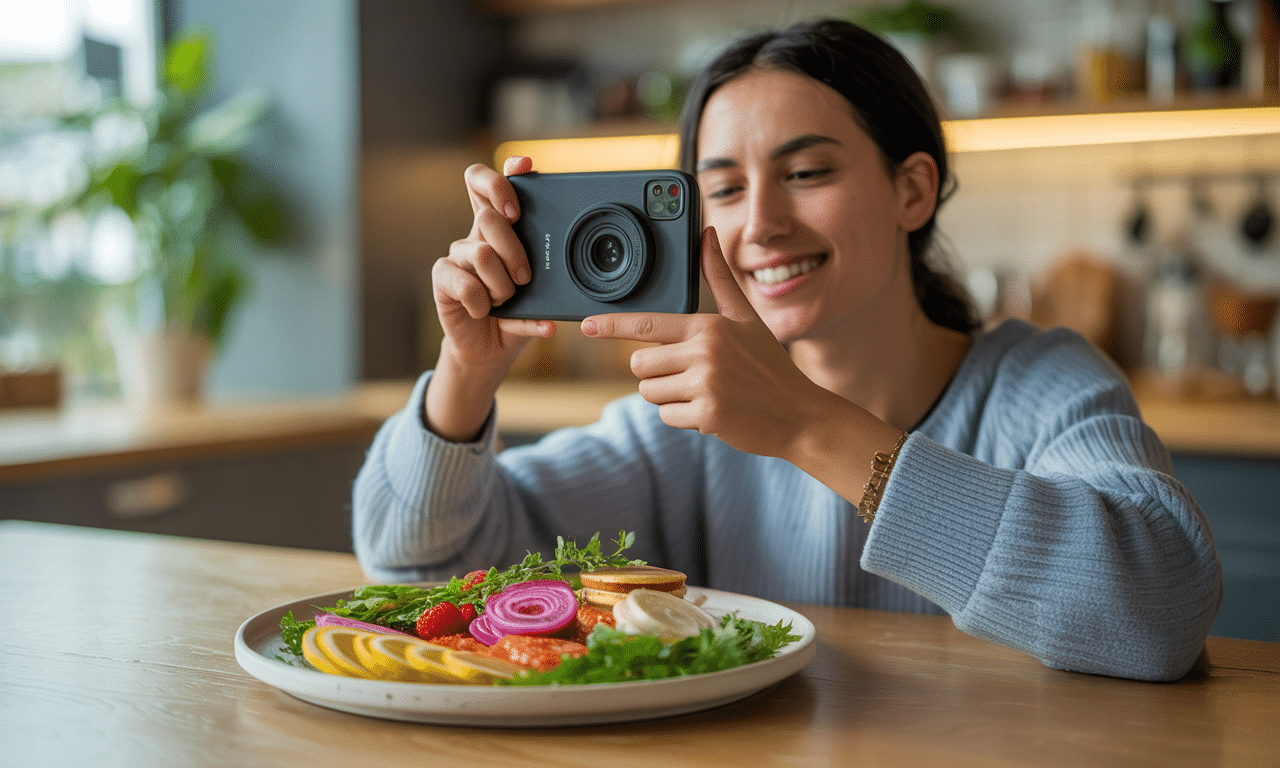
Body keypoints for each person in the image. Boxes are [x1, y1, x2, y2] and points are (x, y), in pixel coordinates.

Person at [353, 19, 1222, 682]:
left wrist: (805, 425)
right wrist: (467, 373)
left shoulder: (1040, 383)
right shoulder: (678, 432)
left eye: (807, 174)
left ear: (911, 189)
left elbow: (1159, 613)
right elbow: (418, 571)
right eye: (723, 188)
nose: (760, 224)